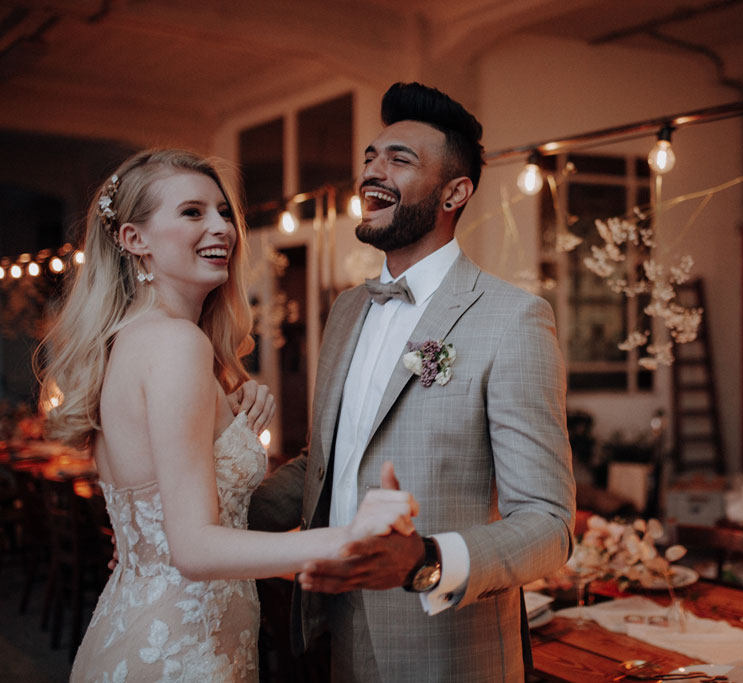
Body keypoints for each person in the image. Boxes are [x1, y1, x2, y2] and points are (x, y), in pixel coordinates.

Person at [35, 149, 419, 683]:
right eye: (192, 213)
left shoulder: (133, 340)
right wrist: (347, 538)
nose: (222, 227)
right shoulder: (175, 344)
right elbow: (192, 547)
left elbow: (165, 523)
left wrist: (231, 431)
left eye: (221, 211)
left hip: (149, 629)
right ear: (133, 240)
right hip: (183, 654)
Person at [248, 82, 576, 681]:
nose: (373, 171)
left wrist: (425, 560)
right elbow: (328, 461)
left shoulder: (513, 319)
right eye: (370, 157)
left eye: (399, 160)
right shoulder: (346, 309)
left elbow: (550, 525)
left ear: (455, 191)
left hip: (447, 646)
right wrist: (213, 516)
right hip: (338, 627)